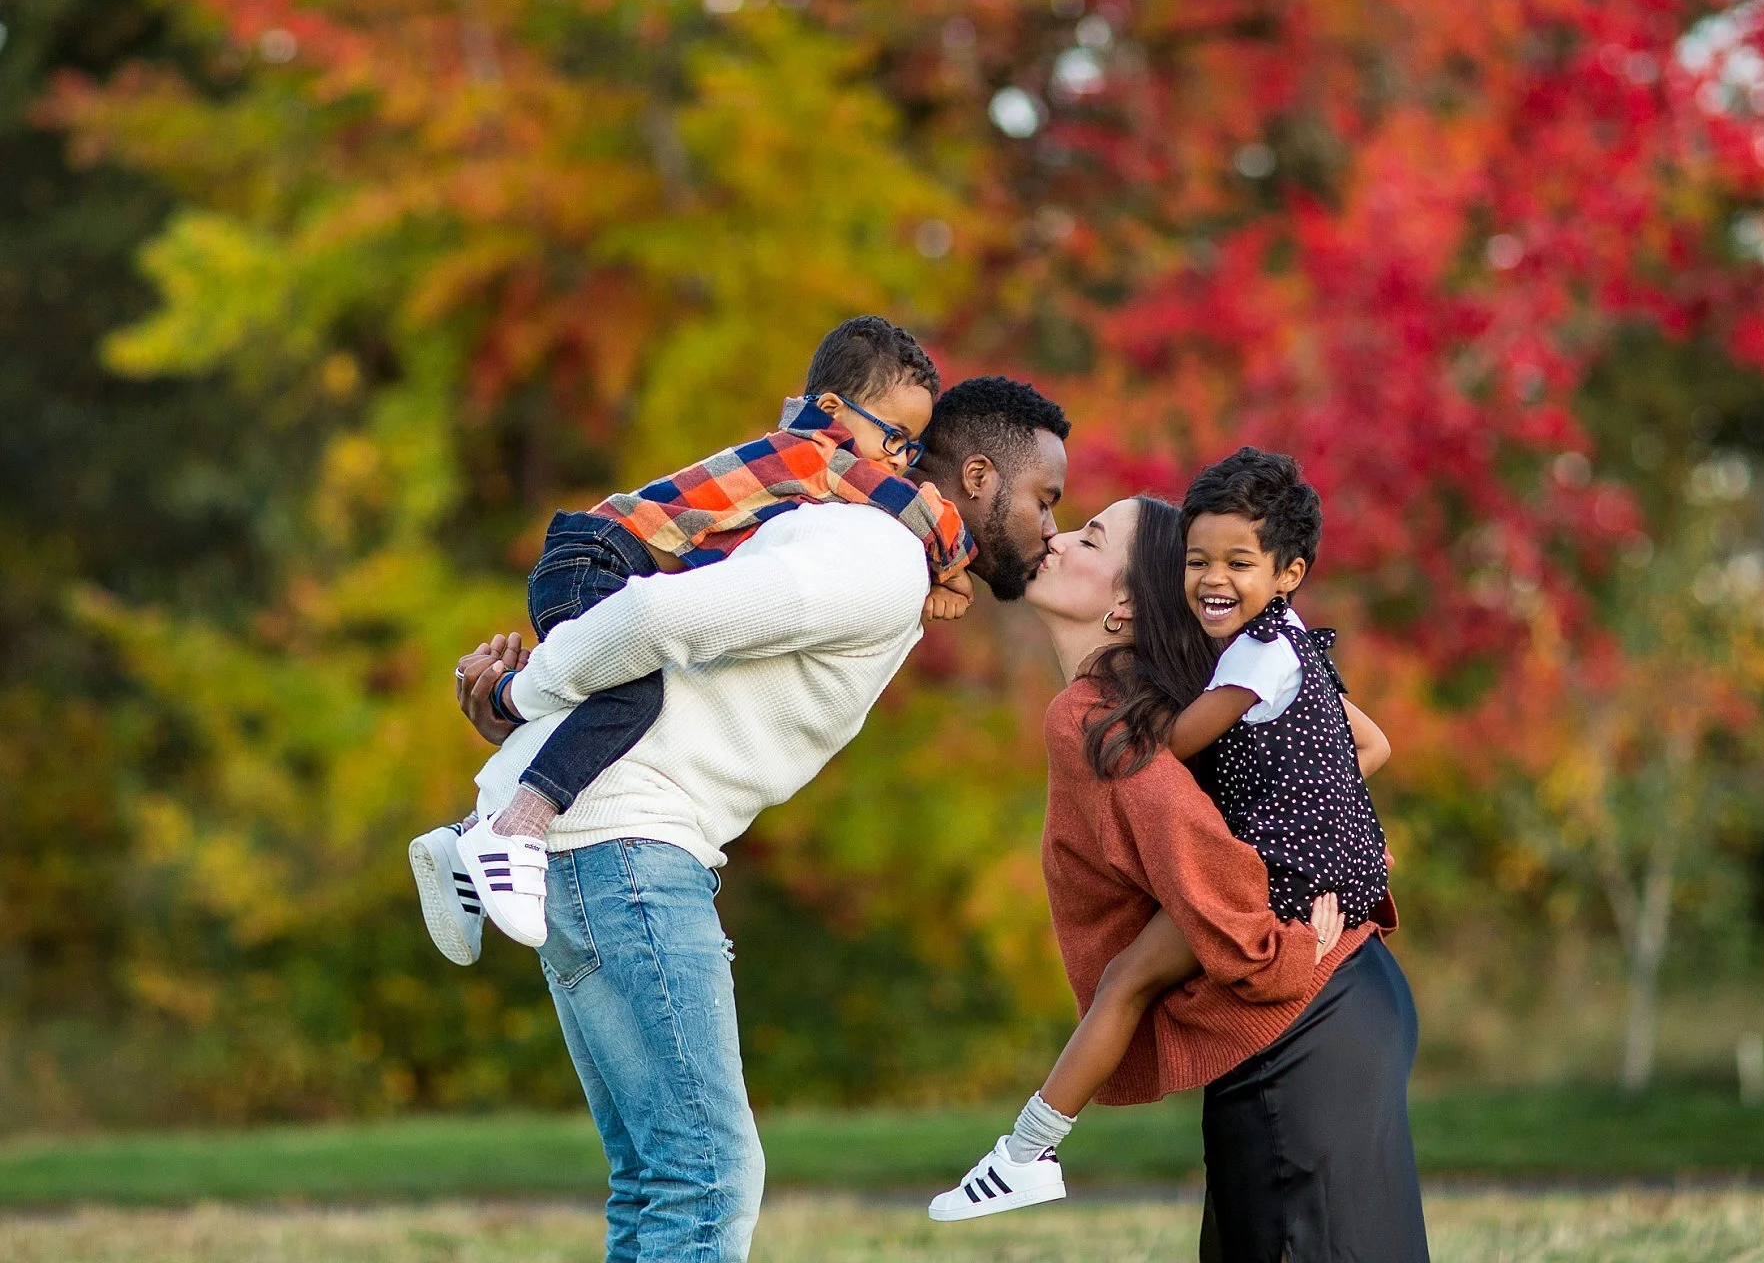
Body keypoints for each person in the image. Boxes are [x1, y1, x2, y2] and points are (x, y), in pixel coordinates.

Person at [443, 374, 1071, 1263]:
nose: (1051, 525)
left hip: (607, 848)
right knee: (706, 1181)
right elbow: (656, 613)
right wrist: (519, 691)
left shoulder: (877, 550)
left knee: (665, 1179)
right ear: (976, 477)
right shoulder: (876, 556)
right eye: (1046, 498)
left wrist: (517, 722)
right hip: (630, 848)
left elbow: (677, 661)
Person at [939, 492, 1428, 1260]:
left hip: (1304, 1013)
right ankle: (1028, 1148)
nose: (1058, 540)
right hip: (1325, 1007)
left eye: (1090, 539)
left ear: (1127, 604)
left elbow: (1202, 859)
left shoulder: (1104, 715)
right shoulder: (1163, 700)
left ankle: (1028, 1148)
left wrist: (1291, 920)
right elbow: (1356, 747)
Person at [408, 316, 977, 960]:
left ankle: (464, 840)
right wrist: (952, 565)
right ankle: (518, 827)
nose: (900, 460)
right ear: (829, 409)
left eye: (913, 448)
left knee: (616, 692)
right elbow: (916, 510)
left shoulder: (809, 476)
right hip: (597, 556)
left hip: (599, 558)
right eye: (895, 437)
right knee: (639, 693)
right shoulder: (817, 456)